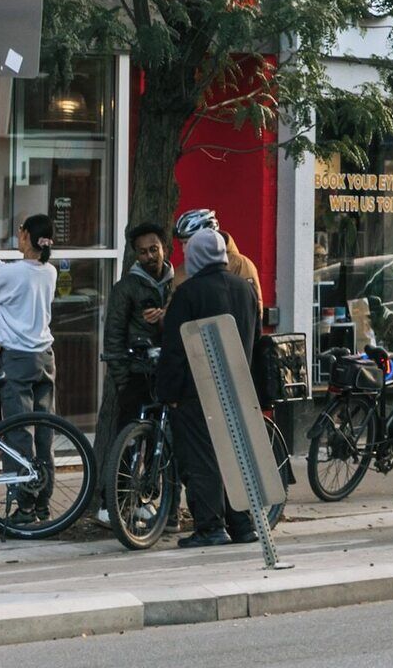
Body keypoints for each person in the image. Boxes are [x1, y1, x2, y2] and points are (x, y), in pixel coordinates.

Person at [157, 215, 266, 547]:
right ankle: (243, 526)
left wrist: (169, 392)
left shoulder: (188, 293)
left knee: (202, 458)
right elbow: (256, 336)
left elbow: (175, 347)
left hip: (197, 389)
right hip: (237, 384)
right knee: (233, 457)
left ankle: (210, 527)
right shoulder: (244, 289)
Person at [0, 215, 64, 514]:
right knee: (43, 431)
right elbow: (14, 281)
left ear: (27, 237)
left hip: (17, 360)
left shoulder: (18, 273)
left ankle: (24, 505)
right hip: (45, 358)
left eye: (21, 232)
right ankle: (43, 501)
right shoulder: (49, 272)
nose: (17, 235)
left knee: (19, 433)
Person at [98, 222, 172, 460]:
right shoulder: (126, 288)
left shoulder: (177, 283)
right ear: (136, 255)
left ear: (164, 249)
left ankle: (165, 493)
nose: (150, 256)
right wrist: (123, 381)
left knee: (166, 444)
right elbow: (113, 336)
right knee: (128, 447)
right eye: (143, 252)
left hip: (169, 371)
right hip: (136, 374)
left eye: (154, 249)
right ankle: (121, 492)